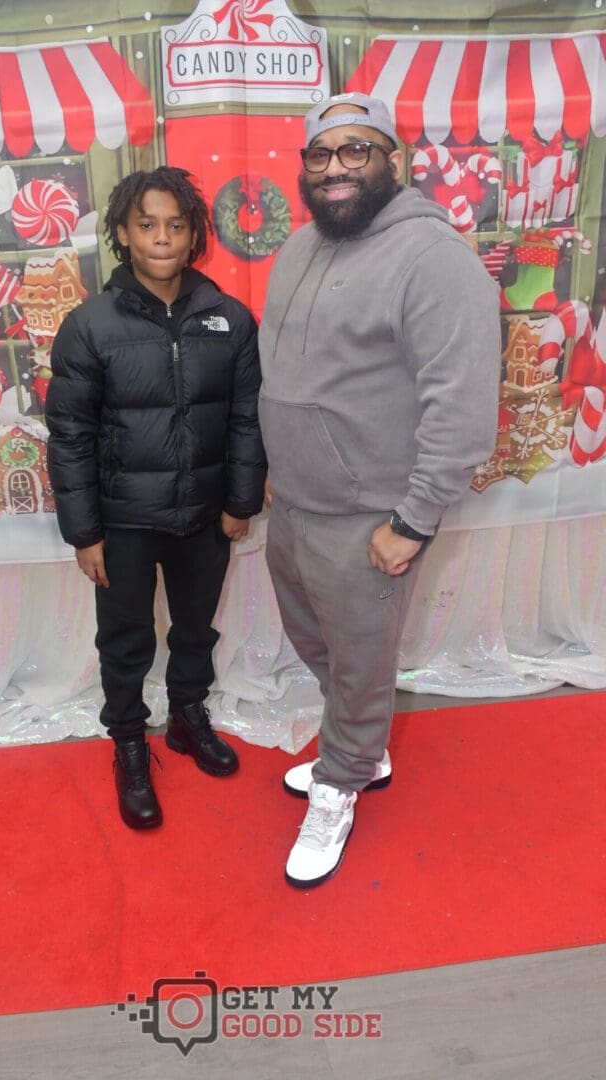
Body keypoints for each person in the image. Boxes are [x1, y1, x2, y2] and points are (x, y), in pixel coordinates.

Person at [258, 93, 501, 888]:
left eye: (356, 150)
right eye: (320, 154)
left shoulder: (434, 258)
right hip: (296, 503)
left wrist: (413, 521)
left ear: (393, 159)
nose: (335, 167)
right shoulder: (300, 247)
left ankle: (341, 783)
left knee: (360, 661)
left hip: (371, 516)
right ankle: (362, 750)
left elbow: (462, 408)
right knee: (319, 646)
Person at [45, 166, 266, 830]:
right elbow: (70, 436)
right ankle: (130, 745)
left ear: (194, 234)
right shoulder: (89, 325)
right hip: (123, 522)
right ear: (123, 232)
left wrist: (240, 502)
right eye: (147, 225)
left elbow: (247, 419)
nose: (162, 238)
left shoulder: (230, 319)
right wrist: (85, 533)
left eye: (175, 225)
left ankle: (188, 716)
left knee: (196, 627)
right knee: (125, 638)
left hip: (205, 515)